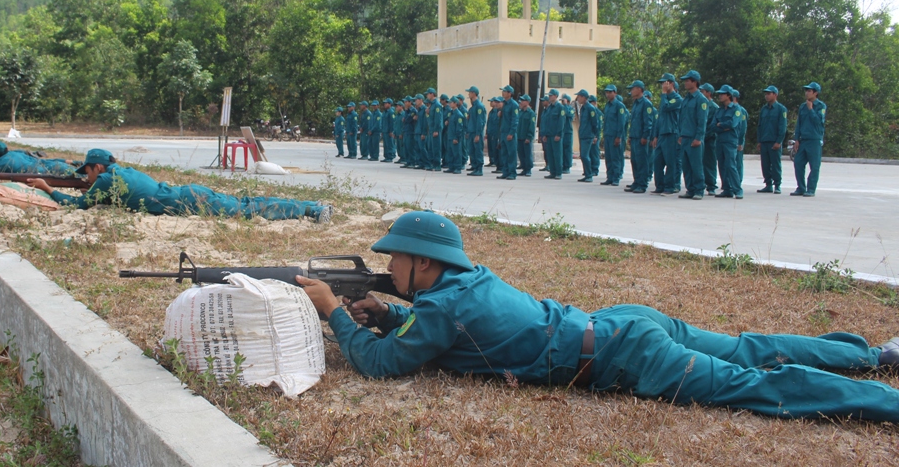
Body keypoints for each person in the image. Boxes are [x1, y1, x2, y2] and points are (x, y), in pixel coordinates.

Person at [296, 211, 899, 422]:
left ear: (424, 263)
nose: (389, 265)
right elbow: (439, 324)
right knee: (751, 347)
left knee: (762, 388)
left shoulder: (441, 306)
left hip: (628, 354)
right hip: (623, 325)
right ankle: (876, 356)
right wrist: (386, 312)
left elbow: (380, 366)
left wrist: (337, 315)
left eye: (395, 258)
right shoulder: (462, 284)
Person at [29, 148, 332, 222]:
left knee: (249, 212)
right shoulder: (121, 172)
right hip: (189, 193)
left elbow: (77, 204)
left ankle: (311, 209)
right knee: (246, 204)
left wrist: (46, 187)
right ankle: (310, 207)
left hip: (190, 202)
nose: (87, 178)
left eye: (88, 173)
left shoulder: (107, 180)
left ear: (98, 168)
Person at [677, 71, 709, 200]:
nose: (685, 83)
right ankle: (690, 189)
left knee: (696, 165)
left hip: (694, 138)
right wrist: (680, 134)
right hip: (685, 136)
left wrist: (698, 138)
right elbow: (682, 118)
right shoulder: (686, 99)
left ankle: (699, 190)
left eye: (687, 80)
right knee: (686, 165)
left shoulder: (701, 100)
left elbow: (702, 121)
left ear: (695, 82)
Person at [0, 141, 77, 176]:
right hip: (56, 165)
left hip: (54, 172)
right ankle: (76, 163)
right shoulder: (15, 154)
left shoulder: (0, 163)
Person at [792, 82, 826, 197]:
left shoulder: (821, 106)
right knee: (798, 163)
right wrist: (796, 139)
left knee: (814, 166)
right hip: (803, 140)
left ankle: (811, 189)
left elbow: (818, 123)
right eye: (806, 90)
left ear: (815, 93)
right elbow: (799, 123)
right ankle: (801, 187)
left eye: (809, 91)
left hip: (814, 140)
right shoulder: (802, 106)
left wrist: (811, 109)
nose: (806, 93)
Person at [651, 73, 682, 195]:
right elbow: (660, 119)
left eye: (665, 82)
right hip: (662, 134)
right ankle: (659, 186)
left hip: (671, 133)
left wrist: (664, 94)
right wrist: (655, 135)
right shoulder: (664, 98)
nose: (663, 85)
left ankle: (669, 186)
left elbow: (665, 107)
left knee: (671, 162)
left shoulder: (677, 99)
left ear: (672, 84)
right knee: (657, 162)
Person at [712, 86, 744, 199]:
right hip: (720, 140)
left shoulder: (736, 109)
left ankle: (738, 190)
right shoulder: (719, 110)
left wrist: (720, 124)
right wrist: (722, 126)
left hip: (730, 141)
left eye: (722, 94)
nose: (720, 96)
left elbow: (732, 124)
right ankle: (727, 189)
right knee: (722, 165)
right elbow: (712, 126)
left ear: (728, 95)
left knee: (731, 165)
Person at [757, 86, 788, 194]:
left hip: (774, 141)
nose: (766, 96)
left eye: (769, 93)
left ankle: (777, 185)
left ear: (775, 94)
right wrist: (759, 141)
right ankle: (768, 184)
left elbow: (782, 127)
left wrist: (779, 141)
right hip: (765, 140)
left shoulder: (781, 109)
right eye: (766, 94)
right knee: (765, 165)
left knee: (775, 164)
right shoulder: (764, 109)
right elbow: (760, 125)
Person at [625, 81, 653, 194]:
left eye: (633, 89)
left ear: (639, 89)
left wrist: (645, 136)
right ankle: (636, 182)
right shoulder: (636, 103)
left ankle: (642, 184)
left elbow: (648, 122)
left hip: (641, 137)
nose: (631, 91)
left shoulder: (646, 103)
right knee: (634, 161)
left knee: (642, 161)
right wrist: (631, 135)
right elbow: (634, 121)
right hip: (635, 136)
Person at [601, 85, 628, 187]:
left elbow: (621, 122)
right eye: (607, 92)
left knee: (615, 157)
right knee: (608, 158)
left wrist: (619, 136)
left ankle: (616, 178)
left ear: (615, 93)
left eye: (610, 92)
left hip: (614, 135)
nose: (608, 94)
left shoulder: (619, 106)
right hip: (608, 134)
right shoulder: (607, 105)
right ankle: (610, 177)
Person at [539, 89, 565, 180]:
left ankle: (558, 172)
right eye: (549, 95)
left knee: (557, 154)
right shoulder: (549, 108)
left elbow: (561, 122)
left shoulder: (560, 107)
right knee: (550, 154)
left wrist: (559, 134)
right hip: (549, 135)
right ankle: (552, 172)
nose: (549, 97)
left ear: (556, 96)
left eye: (551, 95)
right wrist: (545, 134)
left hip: (556, 135)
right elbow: (547, 122)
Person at [575, 89, 600, 183]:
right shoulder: (583, 108)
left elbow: (595, 123)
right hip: (583, 134)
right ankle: (586, 173)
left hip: (588, 135)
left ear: (584, 97)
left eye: (579, 96)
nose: (577, 98)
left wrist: (595, 135)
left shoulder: (590, 108)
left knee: (585, 155)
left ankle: (589, 175)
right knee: (583, 155)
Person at [699, 83, 719, 196]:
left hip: (709, 139)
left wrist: (704, 135)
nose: (701, 93)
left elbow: (713, 125)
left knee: (709, 163)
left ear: (708, 93)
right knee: (699, 163)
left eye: (703, 91)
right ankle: (700, 184)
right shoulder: (700, 104)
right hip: (700, 138)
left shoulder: (714, 107)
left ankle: (711, 185)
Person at [497, 86, 519, 180]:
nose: (503, 93)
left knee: (511, 154)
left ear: (510, 93)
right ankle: (505, 172)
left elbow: (515, 120)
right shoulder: (504, 104)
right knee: (504, 154)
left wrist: (511, 133)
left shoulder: (514, 104)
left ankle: (512, 173)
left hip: (510, 133)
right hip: (503, 131)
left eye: (505, 91)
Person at [464, 88, 487, 176]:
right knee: (472, 150)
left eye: (470, 92)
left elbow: (480, 122)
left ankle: (479, 169)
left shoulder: (479, 106)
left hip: (476, 133)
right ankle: (475, 167)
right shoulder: (473, 107)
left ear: (474, 93)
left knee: (478, 151)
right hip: (471, 132)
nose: (469, 94)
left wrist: (478, 134)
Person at [514, 95, 536, 176]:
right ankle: (523, 168)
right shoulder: (520, 112)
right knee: (521, 153)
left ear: (527, 102)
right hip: (520, 136)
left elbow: (532, 126)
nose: (521, 102)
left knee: (527, 154)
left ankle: (528, 169)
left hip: (526, 137)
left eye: (523, 100)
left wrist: (529, 136)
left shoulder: (531, 113)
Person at [423, 89, 444, 172]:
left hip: (436, 130)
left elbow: (438, 119)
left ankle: (437, 164)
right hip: (431, 129)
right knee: (431, 147)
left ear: (432, 94)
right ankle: (432, 164)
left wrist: (436, 130)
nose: (427, 96)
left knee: (436, 147)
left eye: (428, 94)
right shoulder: (431, 105)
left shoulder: (437, 105)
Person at [445, 97, 465, 174]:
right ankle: (451, 166)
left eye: (451, 102)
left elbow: (459, 127)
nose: (450, 104)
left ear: (455, 103)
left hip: (455, 136)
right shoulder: (451, 113)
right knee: (450, 152)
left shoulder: (458, 114)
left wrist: (456, 137)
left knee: (456, 152)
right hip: (450, 135)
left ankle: (457, 167)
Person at [732, 89, 748, 186]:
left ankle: (738, 181)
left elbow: (743, 127)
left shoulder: (741, 110)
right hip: (730, 140)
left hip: (737, 140)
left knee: (738, 162)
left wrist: (740, 142)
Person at [587, 95, 601, 177]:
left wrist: (596, 136)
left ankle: (595, 169)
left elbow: (598, 125)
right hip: (589, 135)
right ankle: (590, 169)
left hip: (595, 135)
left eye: (590, 102)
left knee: (594, 153)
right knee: (590, 153)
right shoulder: (588, 110)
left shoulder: (597, 112)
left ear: (595, 103)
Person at [560, 94, 574, 175]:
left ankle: (567, 166)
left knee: (567, 150)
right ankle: (562, 165)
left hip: (568, 132)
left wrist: (565, 105)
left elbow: (569, 114)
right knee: (561, 150)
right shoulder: (561, 108)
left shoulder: (571, 108)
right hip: (562, 131)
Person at [485, 97, 501, 170]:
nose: (491, 103)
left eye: (492, 102)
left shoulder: (498, 112)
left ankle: (495, 161)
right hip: (490, 132)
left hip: (496, 133)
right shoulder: (491, 112)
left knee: (495, 148)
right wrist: (487, 132)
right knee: (490, 147)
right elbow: (488, 123)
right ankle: (491, 161)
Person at [393, 99, 407, 165]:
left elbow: (403, 125)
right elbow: (396, 124)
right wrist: (394, 132)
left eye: (398, 106)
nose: (396, 108)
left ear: (401, 107)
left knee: (402, 146)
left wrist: (402, 133)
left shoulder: (403, 114)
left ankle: (404, 158)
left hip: (401, 134)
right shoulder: (397, 115)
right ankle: (401, 157)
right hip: (397, 133)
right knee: (398, 146)